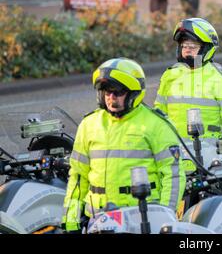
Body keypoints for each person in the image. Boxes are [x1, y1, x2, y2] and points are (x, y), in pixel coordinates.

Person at [61, 58, 186, 232]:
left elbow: (173, 176)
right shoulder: (89, 124)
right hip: (98, 220)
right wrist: (71, 218)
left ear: (133, 93)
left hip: (141, 218)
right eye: (106, 92)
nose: (111, 98)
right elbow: (78, 176)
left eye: (117, 92)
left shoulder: (156, 125)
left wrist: (164, 220)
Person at [154, 17, 222, 141]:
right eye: (184, 45)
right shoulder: (169, 75)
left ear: (206, 49)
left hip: (209, 153)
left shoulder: (220, 79)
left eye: (193, 46)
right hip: (176, 152)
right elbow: (159, 116)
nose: (187, 50)